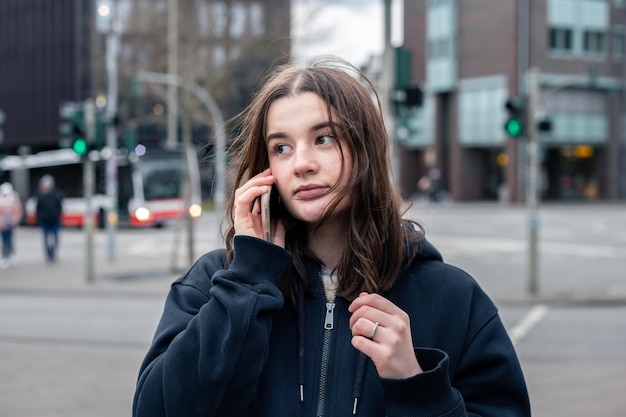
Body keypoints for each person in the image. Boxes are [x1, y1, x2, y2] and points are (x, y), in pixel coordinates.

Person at [132, 57, 530, 417]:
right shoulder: (214, 284)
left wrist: (416, 386)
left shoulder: (454, 299)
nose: (302, 164)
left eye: (323, 139)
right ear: (264, 168)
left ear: (366, 149)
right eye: (282, 147)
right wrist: (247, 283)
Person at [35, 175, 63, 263]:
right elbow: (38, 209)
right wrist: (39, 218)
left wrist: (58, 215)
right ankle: (49, 255)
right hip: (45, 221)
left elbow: (59, 206)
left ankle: (54, 253)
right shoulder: (40, 196)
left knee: (56, 238)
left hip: (54, 220)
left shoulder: (56, 194)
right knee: (46, 239)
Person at [0, 182, 23, 269]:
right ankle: (5, 257)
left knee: (10, 240)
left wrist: (14, 221)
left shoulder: (14, 200)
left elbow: (18, 212)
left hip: (11, 225)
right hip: (2, 226)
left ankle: (11, 255)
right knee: (4, 241)